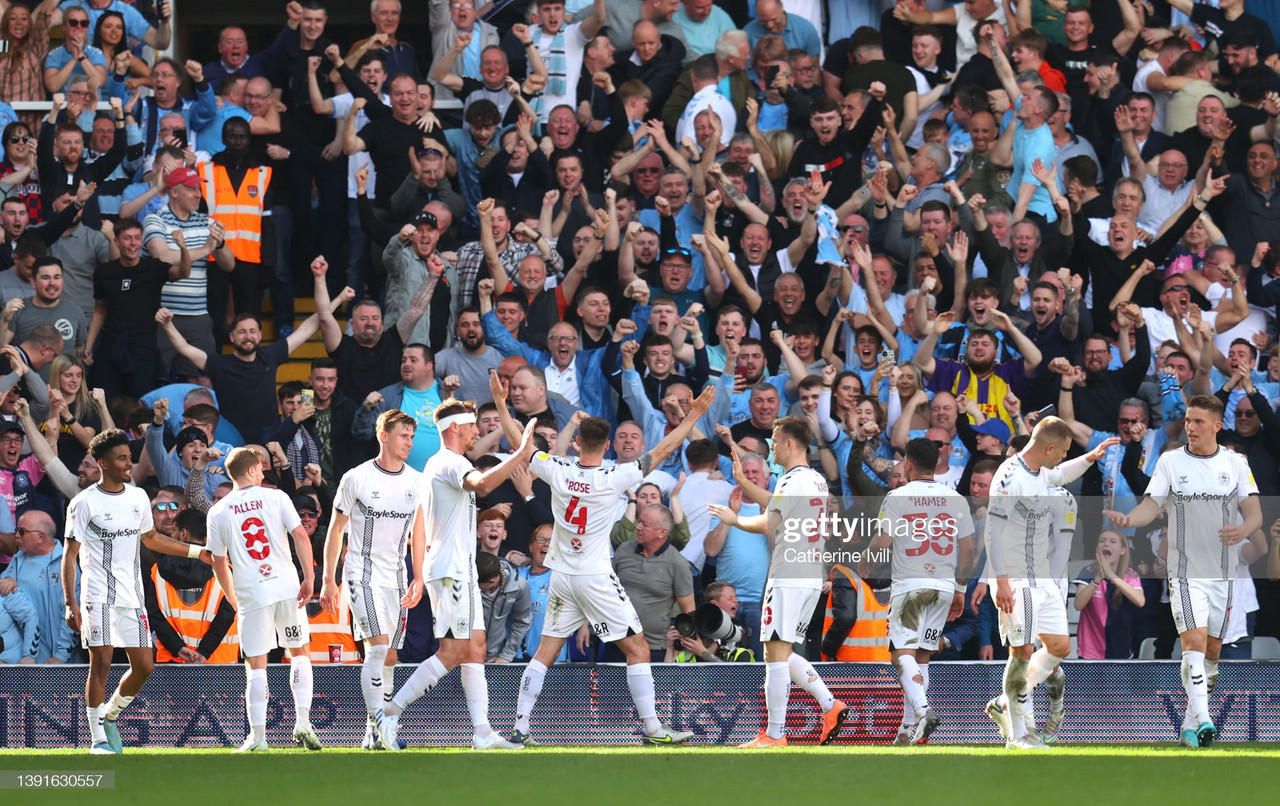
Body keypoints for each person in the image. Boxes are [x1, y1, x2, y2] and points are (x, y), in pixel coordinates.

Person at [503, 388, 717, 746]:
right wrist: (692, 416)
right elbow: (663, 451)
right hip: (595, 577)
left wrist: (499, 401)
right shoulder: (615, 476)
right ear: (606, 447)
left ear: (578, 444)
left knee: (545, 652)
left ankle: (520, 727)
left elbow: (522, 444)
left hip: (562, 577)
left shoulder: (556, 469)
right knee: (639, 650)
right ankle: (653, 728)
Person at [376, 399, 539, 751]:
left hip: (459, 570)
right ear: (456, 428)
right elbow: (481, 484)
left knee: (475, 648)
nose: (476, 432)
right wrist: (521, 452)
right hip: (450, 572)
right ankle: (389, 713)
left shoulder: (445, 462)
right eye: (472, 427)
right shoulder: (449, 463)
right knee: (452, 651)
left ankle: (482, 733)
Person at [1104, 395, 1266, 748]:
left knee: (1212, 651)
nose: (1190, 427)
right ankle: (1206, 719)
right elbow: (1151, 505)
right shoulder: (1171, 461)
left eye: (1198, 422)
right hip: (1185, 569)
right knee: (1192, 641)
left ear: (1216, 426)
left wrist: (1244, 529)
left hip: (1224, 573)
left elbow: (1254, 511)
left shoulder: (1235, 463)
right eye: (1188, 421)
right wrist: (1129, 519)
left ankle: (1190, 724)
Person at [63, 428, 209, 754]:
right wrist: (70, 603)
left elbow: (152, 539)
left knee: (145, 666)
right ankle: (98, 740)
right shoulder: (82, 503)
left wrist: (197, 552)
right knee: (100, 662)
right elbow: (69, 557)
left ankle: (110, 716)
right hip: (97, 594)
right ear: (102, 462)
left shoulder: (138, 497)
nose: (129, 463)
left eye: (130, 457)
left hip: (133, 595)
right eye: (122, 458)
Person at [708, 418, 849, 748]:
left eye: (773, 439)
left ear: (789, 443)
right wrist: (743, 481)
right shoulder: (814, 481)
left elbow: (770, 522)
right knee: (781, 651)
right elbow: (777, 503)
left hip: (788, 575)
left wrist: (735, 519)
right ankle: (831, 705)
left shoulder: (791, 480)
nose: (770, 445)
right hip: (810, 575)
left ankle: (774, 735)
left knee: (774, 654)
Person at [982, 418, 1117, 748]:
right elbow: (992, 531)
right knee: (1022, 653)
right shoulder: (1010, 477)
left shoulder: (1041, 471)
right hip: (1014, 577)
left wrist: (1090, 457)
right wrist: (1000, 581)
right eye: (1064, 451)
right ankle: (1017, 735)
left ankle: (1004, 703)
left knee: (1059, 647)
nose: (1063, 457)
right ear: (1049, 447)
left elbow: (1062, 474)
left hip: (1041, 578)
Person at [206, 445, 321, 752]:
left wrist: (231, 595)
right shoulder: (277, 497)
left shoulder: (218, 511)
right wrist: (308, 578)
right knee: (299, 652)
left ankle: (258, 738)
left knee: (256, 665)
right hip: (286, 586)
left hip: (251, 592)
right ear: (254, 470)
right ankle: (303, 722)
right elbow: (300, 535)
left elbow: (218, 561)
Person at [321, 409, 424, 751]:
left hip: (397, 576)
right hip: (360, 574)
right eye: (403, 435)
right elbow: (336, 530)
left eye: (411, 436)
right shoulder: (357, 478)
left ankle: (372, 732)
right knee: (378, 647)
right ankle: (384, 727)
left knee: (391, 655)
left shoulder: (416, 481)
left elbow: (419, 533)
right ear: (384, 436)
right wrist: (327, 580)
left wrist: (419, 576)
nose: (409, 442)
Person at [868, 437, 975, 745]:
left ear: (909, 465)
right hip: (943, 585)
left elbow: (883, 541)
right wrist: (960, 589)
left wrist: (865, 559)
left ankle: (923, 710)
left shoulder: (897, 496)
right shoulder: (955, 498)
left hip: (910, 585)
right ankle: (909, 731)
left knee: (901, 655)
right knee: (922, 656)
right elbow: (968, 548)